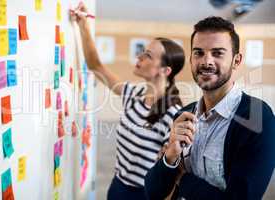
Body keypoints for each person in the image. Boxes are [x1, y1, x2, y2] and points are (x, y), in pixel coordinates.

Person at [144, 16, 275, 200]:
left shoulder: (258, 117)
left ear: (236, 61)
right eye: (198, 53)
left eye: (218, 53)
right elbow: (152, 192)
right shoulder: (184, 115)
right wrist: (170, 157)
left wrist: (182, 177)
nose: (206, 61)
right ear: (191, 60)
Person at [70, 3, 185, 199]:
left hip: (145, 194)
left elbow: (174, 175)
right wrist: (83, 24)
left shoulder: (173, 115)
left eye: (147, 55)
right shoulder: (133, 95)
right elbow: (96, 66)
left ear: (165, 71)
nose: (139, 56)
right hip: (117, 187)